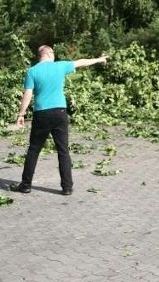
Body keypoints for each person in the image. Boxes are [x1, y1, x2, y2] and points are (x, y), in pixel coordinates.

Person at [11, 45, 108, 195]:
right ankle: (67, 187)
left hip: (41, 113)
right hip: (60, 112)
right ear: (49, 54)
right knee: (63, 150)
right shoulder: (60, 66)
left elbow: (27, 95)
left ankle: (26, 185)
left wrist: (21, 114)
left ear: (39, 56)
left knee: (34, 149)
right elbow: (81, 62)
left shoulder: (32, 71)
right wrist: (99, 59)